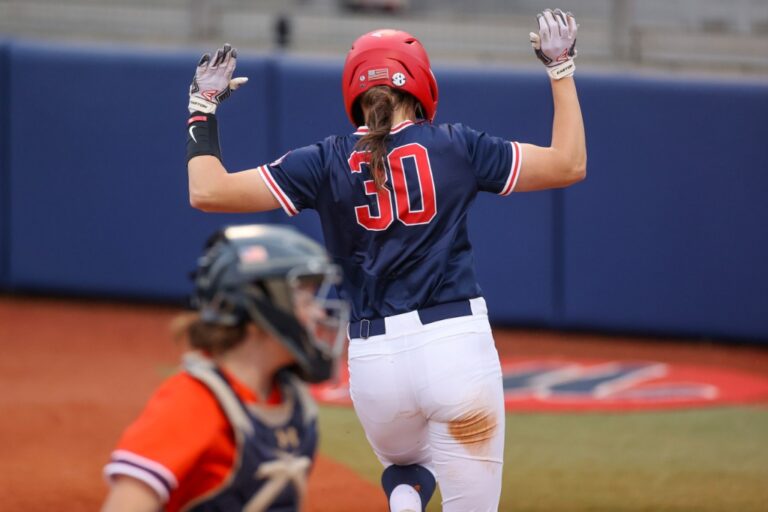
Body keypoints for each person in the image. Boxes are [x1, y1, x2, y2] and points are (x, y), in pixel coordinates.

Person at [184, 8, 585, 511]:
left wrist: (203, 106)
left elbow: (207, 191)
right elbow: (569, 163)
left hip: (374, 364)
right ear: (420, 84)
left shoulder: (323, 159)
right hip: (456, 346)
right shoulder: (457, 146)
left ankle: (404, 500)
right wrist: (560, 67)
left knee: (407, 467)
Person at [101, 224, 349, 511]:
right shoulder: (193, 401)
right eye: (304, 298)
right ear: (259, 308)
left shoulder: (292, 402)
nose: (319, 312)